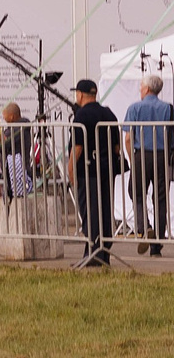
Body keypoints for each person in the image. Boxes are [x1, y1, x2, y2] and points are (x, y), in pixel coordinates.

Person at [65, 77, 120, 268]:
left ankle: (92, 252)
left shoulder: (81, 116)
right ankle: (104, 253)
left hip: (87, 171)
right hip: (106, 169)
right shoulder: (109, 114)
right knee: (105, 210)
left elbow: (77, 147)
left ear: (80, 94)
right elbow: (116, 147)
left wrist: (70, 170)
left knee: (89, 212)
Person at [125, 73, 172, 259]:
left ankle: (144, 227)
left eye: (141, 87)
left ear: (146, 89)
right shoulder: (168, 108)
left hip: (141, 154)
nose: (139, 90)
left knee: (136, 192)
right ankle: (157, 245)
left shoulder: (134, 108)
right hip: (161, 156)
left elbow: (128, 137)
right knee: (160, 198)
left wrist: (131, 157)